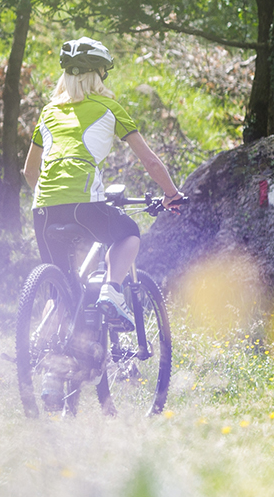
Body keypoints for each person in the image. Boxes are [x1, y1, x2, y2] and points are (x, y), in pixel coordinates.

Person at [22, 37, 184, 331]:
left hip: (43, 207)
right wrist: (171, 194)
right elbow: (150, 161)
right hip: (83, 204)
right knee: (127, 234)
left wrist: (52, 196)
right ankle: (111, 289)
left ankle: (48, 360)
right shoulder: (109, 107)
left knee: (61, 289)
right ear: (98, 74)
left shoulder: (48, 112)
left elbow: (29, 171)